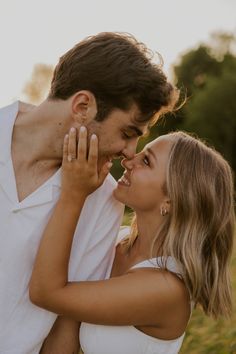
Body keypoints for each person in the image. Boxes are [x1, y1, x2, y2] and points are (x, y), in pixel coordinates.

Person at [0, 32, 179, 354]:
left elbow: (64, 325)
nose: (128, 153)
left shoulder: (103, 199)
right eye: (127, 132)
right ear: (83, 105)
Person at [29, 128, 235, 354]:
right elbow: (66, 316)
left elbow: (46, 294)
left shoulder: (166, 289)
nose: (129, 161)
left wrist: (73, 194)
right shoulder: (118, 239)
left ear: (172, 200)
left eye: (146, 161)